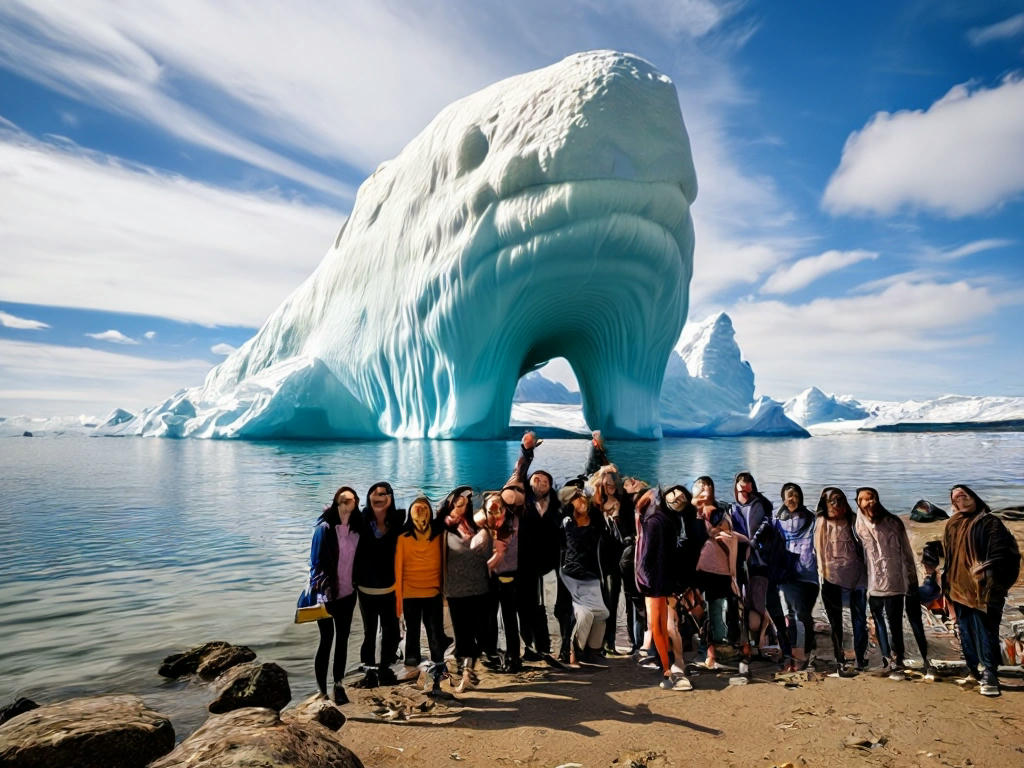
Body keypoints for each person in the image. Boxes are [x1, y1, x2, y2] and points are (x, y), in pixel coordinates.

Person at [943, 484, 1022, 697]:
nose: (962, 499)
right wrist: (946, 585)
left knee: (986, 633)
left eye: (965, 495)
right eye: (957, 497)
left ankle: (990, 675)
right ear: (953, 503)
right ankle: (973, 670)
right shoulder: (952, 524)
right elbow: (950, 557)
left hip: (983, 592)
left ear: (974, 497)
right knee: (966, 634)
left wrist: (986, 567)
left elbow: (1007, 553)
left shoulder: (990, 523)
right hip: (958, 589)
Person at [854, 487, 922, 680]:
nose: (869, 502)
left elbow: (907, 553)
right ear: (858, 503)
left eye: (872, 497)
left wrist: (911, 579)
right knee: (878, 621)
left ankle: (898, 659)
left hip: (894, 580)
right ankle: (886, 659)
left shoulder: (893, 522)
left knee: (895, 622)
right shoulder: (857, 525)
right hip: (872, 582)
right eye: (864, 499)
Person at [731, 471, 793, 672]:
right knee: (744, 608)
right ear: (736, 488)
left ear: (752, 486)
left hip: (764, 565)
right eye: (741, 485)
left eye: (748, 484)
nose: (744, 488)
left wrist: (753, 542)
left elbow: (765, 526)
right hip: (743, 566)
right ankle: (747, 651)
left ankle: (787, 651)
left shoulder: (761, 505)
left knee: (773, 607)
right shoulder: (731, 509)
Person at [305, 486, 362, 704]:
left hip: (348, 594)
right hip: (327, 596)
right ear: (337, 503)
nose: (349, 503)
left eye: (352, 499)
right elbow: (314, 564)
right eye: (344, 500)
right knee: (326, 640)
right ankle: (322, 690)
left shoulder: (358, 528)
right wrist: (321, 592)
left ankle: (338, 684)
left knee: (343, 640)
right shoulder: (325, 528)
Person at [508, 432, 561, 663]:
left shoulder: (555, 506)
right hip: (521, 563)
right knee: (524, 605)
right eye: (536, 479)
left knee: (541, 606)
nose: (540, 482)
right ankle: (527, 644)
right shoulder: (523, 501)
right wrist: (526, 452)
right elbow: (518, 473)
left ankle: (543, 646)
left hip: (546, 565)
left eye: (545, 481)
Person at [635, 487, 691, 690]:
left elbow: (647, 554)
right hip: (664, 581)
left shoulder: (653, 522)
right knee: (662, 626)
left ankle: (668, 670)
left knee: (658, 626)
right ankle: (669, 667)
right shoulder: (666, 520)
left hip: (655, 581)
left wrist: (644, 579)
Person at [441, 486, 492, 692]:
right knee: (462, 634)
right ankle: (465, 672)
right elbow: (439, 560)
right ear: (449, 505)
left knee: (481, 632)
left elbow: (487, 555)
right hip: (455, 589)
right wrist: (441, 590)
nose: (461, 509)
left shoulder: (478, 526)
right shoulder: (443, 529)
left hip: (480, 587)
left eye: (465, 505)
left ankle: (468, 670)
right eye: (457, 505)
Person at [395, 494, 448, 694]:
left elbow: (444, 560)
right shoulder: (403, 537)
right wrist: (398, 600)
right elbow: (398, 569)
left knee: (434, 629)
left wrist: (444, 591)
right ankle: (411, 658)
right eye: (417, 511)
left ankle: (438, 662)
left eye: (425, 510)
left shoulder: (438, 535)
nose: (421, 516)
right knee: (412, 628)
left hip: (433, 591)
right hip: (410, 592)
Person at [353, 481, 404, 687]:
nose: (379, 497)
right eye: (374, 493)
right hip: (366, 588)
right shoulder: (361, 520)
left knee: (391, 631)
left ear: (390, 498)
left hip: (390, 587)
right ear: (368, 497)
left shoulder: (398, 521)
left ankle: (385, 669)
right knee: (369, 632)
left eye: (383, 494)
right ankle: (369, 672)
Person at [814, 487, 868, 676]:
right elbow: (819, 551)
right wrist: (823, 574)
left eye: (839, 500)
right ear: (825, 504)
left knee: (859, 621)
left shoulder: (853, 521)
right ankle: (840, 658)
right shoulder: (822, 522)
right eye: (832, 501)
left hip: (858, 579)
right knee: (836, 623)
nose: (836, 504)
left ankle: (860, 658)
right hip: (832, 579)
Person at [558, 483, 610, 667]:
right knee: (584, 613)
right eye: (576, 497)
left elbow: (604, 529)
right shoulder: (566, 521)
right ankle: (572, 652)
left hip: (592, 573)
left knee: (602, 613)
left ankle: (593, 652)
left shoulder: (595, 518)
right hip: (572, 574)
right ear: (568, 503)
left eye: (582, 496)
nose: (582, 500)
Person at [774, 483, 818, 671]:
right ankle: (797, 652)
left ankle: (804, 649)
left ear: (800, 497)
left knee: (803, 614)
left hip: (808, 574)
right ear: (783, 498)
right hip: (787, 574)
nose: (791, 499)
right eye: (788, 496)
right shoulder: (777, 520)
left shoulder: (811, 518)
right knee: (792, 615)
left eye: (795, 495)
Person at [480, 491, 523, 673]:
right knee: (488, 617)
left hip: (508, 576)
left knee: (509, 618)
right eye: (491, 508)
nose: (496, 510)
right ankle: (491, 653)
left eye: (499, 506)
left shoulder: (512, 522)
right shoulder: (482, 524)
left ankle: (513, 656)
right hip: (488, 579)